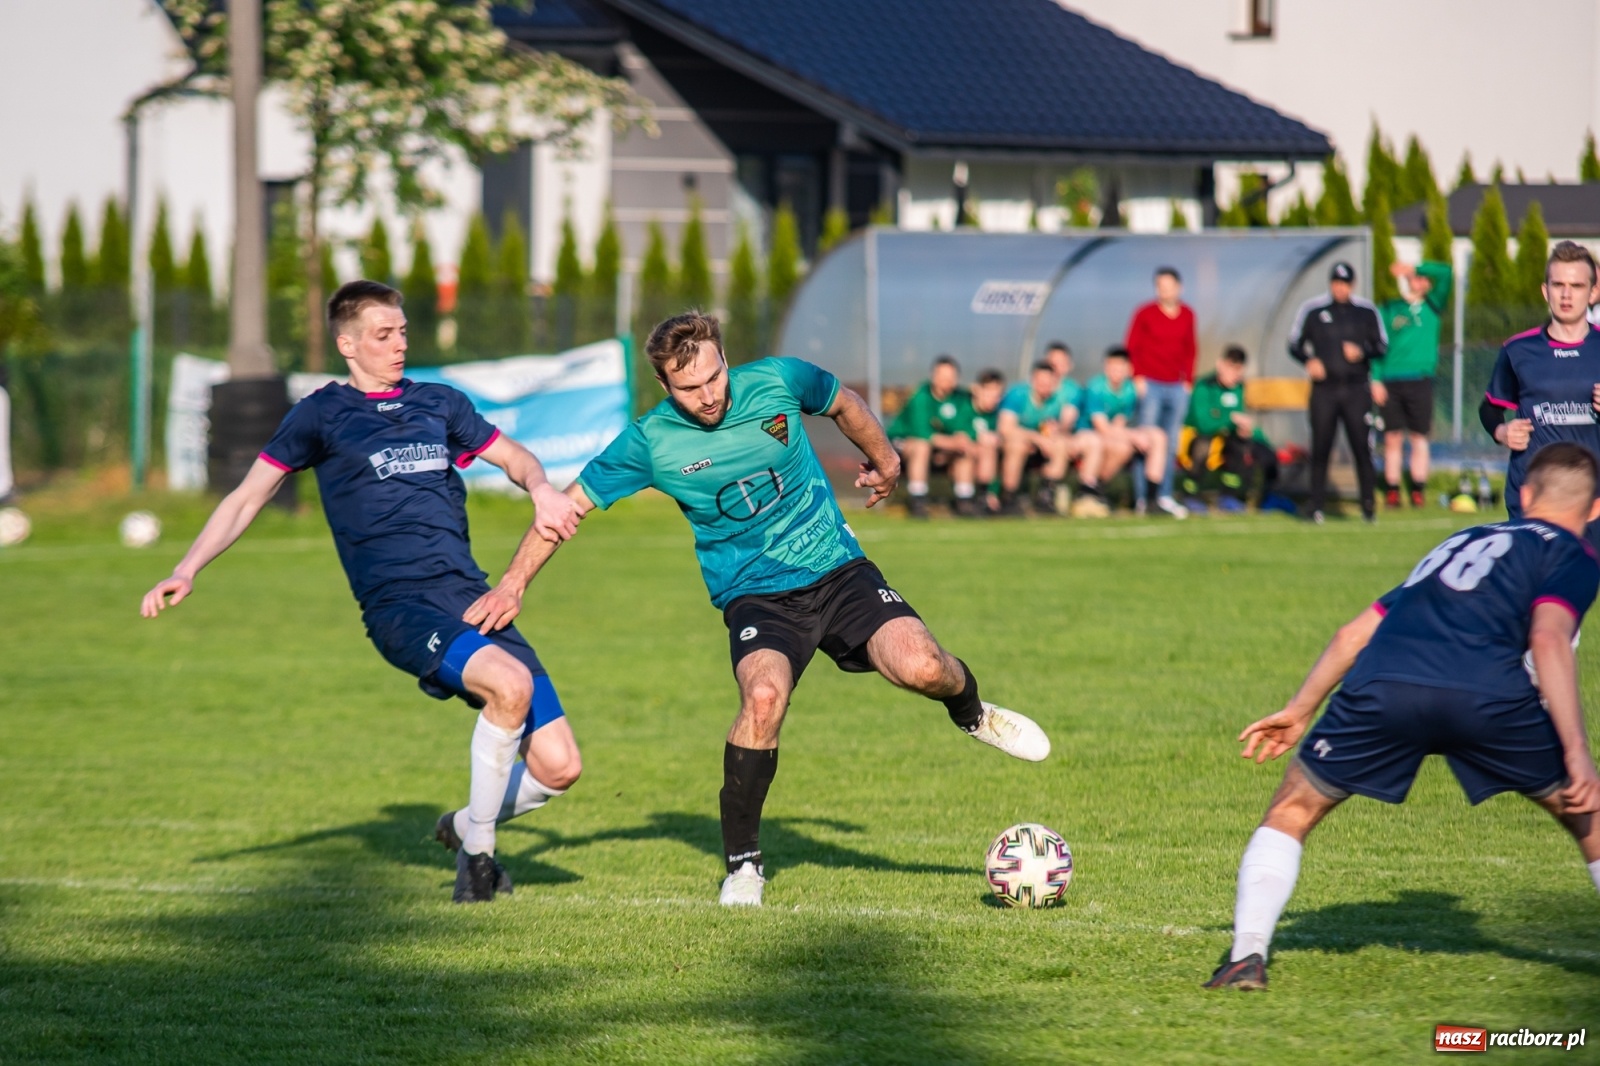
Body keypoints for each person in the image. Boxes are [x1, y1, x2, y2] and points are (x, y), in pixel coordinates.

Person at [461, 312, 1051, 908]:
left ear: (724, 358)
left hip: (836, 568)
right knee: (762, 699)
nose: (710, 395)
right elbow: (568, 507)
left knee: (925, 667)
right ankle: (744, 867)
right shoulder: (650, 441)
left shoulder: (777, 380)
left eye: (715, 377)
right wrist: (512, 585)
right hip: (756, 595)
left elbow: (843, 402)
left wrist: (887, 458)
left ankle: (973, 714)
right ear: (665, 386)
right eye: (690, 388)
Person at [139, 280, 584, 905]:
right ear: (347, 344)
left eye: (402, 331)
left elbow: (515, 458)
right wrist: (188, 567)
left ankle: (462, 828)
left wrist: (539, 487)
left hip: (471, 596)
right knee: (507, 687)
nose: (398, 344)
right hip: (401, 606)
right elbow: (246, 497)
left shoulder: (440, 402)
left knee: (559, 768)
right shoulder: (321, 414)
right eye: (383, 335)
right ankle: (479, 866)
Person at [1206, 442, 1600, 991]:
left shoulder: (1461, 538)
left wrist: (1300, 709)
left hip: (1384, 683)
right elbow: (1549, 638)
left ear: (1526, 494)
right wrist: (1577, 751)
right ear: (1595, 509)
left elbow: (1354, 633)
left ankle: (1246, 956)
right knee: (1588, 815)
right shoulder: (1574, 554)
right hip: (1486, 692)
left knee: (1293, 808)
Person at [1482, 241, 1600, 546]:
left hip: (1592, 500)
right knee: (1537, 591)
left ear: (1593, 292)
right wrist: (1502, 430)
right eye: (1558, 284)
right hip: (1534, 497)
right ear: (1545, 290)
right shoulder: (1518, 350)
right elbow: (1489, 407)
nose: (1566, 294)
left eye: (1576, 285)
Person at [1288, 261, 1388, 524]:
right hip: (1325, 391)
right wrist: (1309, 360)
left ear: (1351, 285)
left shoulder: (1365, 312)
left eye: (1345, 283)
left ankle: (1368, 506)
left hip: (1356, 390)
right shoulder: (1314, 310)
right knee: (1321, 446)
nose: (1340, 288)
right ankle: (1316, 506)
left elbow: (1382, 345)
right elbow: (1294, 343)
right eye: (1336, 283)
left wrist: (1362, 352)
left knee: (1361, 448)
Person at [1376, 259, 1452, 509]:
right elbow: (1377, 348)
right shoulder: (1390, 308)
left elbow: (1446, 271)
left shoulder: (1432, 306)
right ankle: (1393, 490)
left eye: (1420, 279)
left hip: (1419, 380)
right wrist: (1375, 379)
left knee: (1419, 436)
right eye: (1411, 278)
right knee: (1392, 437)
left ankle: (1418, 489)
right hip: (1391, 380)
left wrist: (1414, 268)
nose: (1415, 281)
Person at [1125, 267, 1197, 517]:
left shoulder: (1187, 314)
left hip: (1176, 387)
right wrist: (1137, 377)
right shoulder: (1145, 313)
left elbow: (1190, 349)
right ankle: (1143, 498)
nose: (1164, 290)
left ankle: (1163, 496)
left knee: (1170, 444)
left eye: (1168, 285)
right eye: (1160, 286)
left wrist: (1188, 380)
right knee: (1147, 443)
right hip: (1150, 385)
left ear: (1180, 287)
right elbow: (1131, 346)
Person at [1080, 349, 1184, 517]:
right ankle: (1093, 490)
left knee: (1159, 436)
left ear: (1128, 369)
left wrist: (1132, 435)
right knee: (1123, 447)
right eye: (1113, 368)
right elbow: (1102, 428)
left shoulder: (1130, 389)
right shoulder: (1096, 387)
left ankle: (1152, 500)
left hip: (1116, 435)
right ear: (1106, 367)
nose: (1117, 373)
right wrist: (1134, 436)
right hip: (1090, 435)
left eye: (1121, 368)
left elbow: (1120, 421)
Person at [996, 361, 1106, 516]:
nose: (1045, 387)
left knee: (1061, 444)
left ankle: (1047, 495)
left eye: (1049, 384)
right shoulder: (1017, 394)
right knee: (1017, 445)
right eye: (1041, 383)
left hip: (1046, 445)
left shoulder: (1059, 399)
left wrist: (1057, 432)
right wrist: (1037, 439)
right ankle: (1008, 497)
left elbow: (1062, 426)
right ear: (1033, 380)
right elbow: (1005, 428)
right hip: (1018, 442)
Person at [1180, 346, 1280, 513]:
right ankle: (1190, 495)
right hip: (1194, 437)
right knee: (1203, 446)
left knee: (1262, 452)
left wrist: (1251, 432)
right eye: (1231, 369)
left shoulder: (1238, 388)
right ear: (1220, 365)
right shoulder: (1204, 386)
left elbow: (1237, 417)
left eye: (1239, 370)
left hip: (1226, 438)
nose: (1235, 375)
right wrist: (1230, 421)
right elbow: (1203, 424)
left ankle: (1233, 497)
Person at [887, 355, 985, 518]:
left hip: (940, 447)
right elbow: (922, 434)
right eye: (942, 376)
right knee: (922, 446)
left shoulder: (960, 398)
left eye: (951, 377)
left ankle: (964, 499)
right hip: (902, 444)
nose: (947, 380)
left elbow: (965, 427)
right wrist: (954, 443)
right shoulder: (921, 396)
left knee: (965, 450)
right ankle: (918, 499)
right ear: (933, 376)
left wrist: (963, 440)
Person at [969, 368, 1007, 514]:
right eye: (989, 393)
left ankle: (990, 496)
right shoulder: (964, 408)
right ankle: (975, 497)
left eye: (997, 395)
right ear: (976, 389)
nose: (993, 399)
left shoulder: (995, 416)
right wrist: (976, 437)